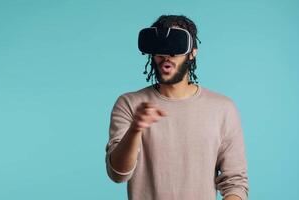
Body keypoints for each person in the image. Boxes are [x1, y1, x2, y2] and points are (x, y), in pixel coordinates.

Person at [105, 14, 249, 200]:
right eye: (160, 50)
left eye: (175, 48)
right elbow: (118, 174)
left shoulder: (223, 108)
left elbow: (235, 183)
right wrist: (135, 129)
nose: (166, 57)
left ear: (192, 52)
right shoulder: (129, 104)